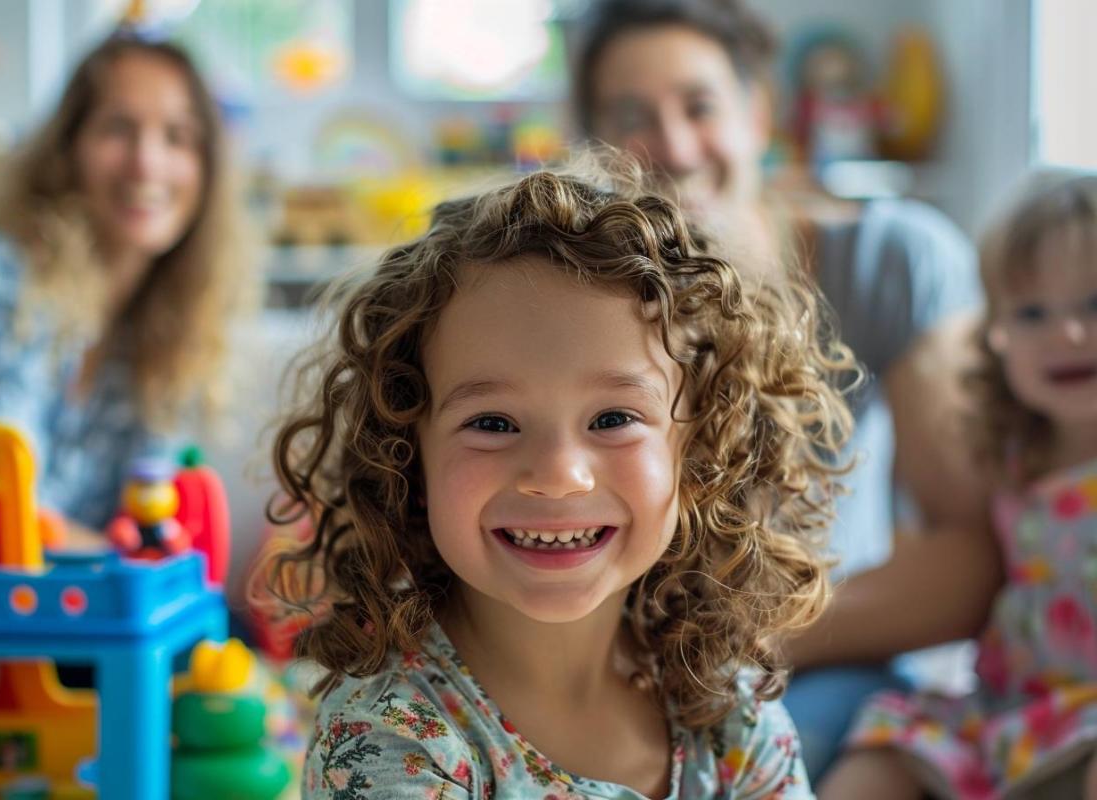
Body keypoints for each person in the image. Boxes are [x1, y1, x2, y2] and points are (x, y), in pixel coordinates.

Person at [257, 161, 858, 798]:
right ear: (407, 454)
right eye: (492, 422)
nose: (558, 475)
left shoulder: (729, 708)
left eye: (613, 418)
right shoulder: (390, 740)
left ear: (698, 449)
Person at [574, 0, 997, 780]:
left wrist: (721, 639)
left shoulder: (890, 261)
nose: (671, 143)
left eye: (700, 105)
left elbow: (967, 559)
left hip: (828, 656)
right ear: (592, 145)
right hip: (619, 668)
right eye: (632, 115)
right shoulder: (573, 309)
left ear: (758, 113)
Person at [0, 32, 258, 530]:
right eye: (118, 128)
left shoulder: (168, 327)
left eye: (177, 136)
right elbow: (5, 517)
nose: (146, 162)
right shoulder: (1, 280)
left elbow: (144, 517)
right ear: (67, 150)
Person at [818, 171, 1097, 799]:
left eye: (1094, 305)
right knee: (876, 756)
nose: (1068, 334)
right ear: (995, 335)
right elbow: (933, 556)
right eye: (1032, 313)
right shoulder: (1007, 458)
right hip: (1008, 708)